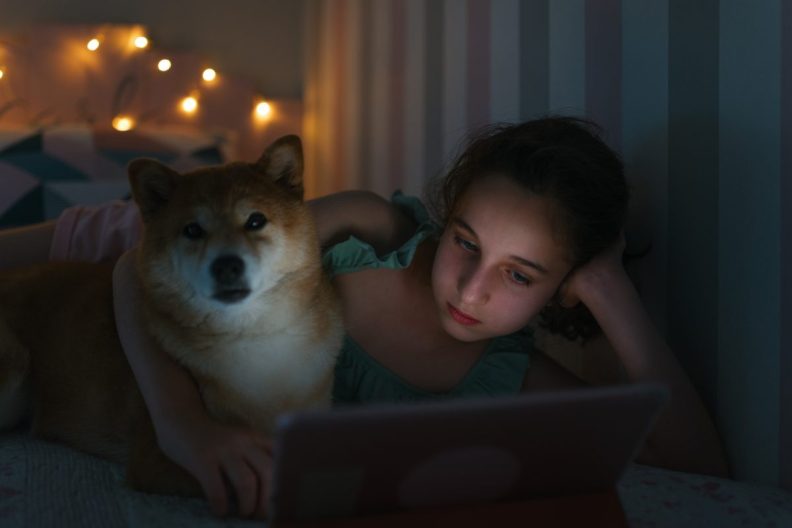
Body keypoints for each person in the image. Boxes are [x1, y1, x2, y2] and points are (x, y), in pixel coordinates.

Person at [0, 117, 729, 519]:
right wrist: (181, 426)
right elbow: (134, 265)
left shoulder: (511, 376)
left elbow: (699, 470)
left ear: (560, 289)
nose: (471, 291)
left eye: (520, 275)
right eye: (466, 244)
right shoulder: (370, 233)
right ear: (444, 217)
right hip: (111, 266)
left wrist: (610, 291)